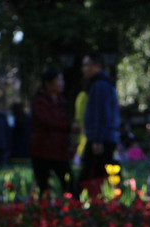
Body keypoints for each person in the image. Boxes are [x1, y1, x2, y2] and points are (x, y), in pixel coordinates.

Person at [79, 53, 121, 197]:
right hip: (105, 136)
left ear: (97, 66)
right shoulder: (104, 83)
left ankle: (92, 204)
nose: (83, 69)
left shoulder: (100, 85)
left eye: (86, 65)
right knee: (101, 175)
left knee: (90, 176)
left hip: (101, 139)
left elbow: (100, 113)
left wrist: (97, 139)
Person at [29, 68, 74, 197]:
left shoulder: (61, 101)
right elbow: (46, 122)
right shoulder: (40, 101)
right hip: (42, 150)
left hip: (59, 150)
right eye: (58, 80)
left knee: (69, 181)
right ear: (48, 83)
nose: (61, 83)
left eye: (62, 80)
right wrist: (68, 127)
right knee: (43, 185)